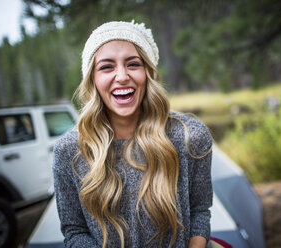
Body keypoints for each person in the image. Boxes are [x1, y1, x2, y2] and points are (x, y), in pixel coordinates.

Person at [53, 20, 213, 248]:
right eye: (107, 67)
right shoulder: (69, 151)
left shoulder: (190, 137)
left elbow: (199, 212)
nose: (121, 76)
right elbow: (75, 231)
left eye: (133, 64)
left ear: (148, 72)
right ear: (93, 79)